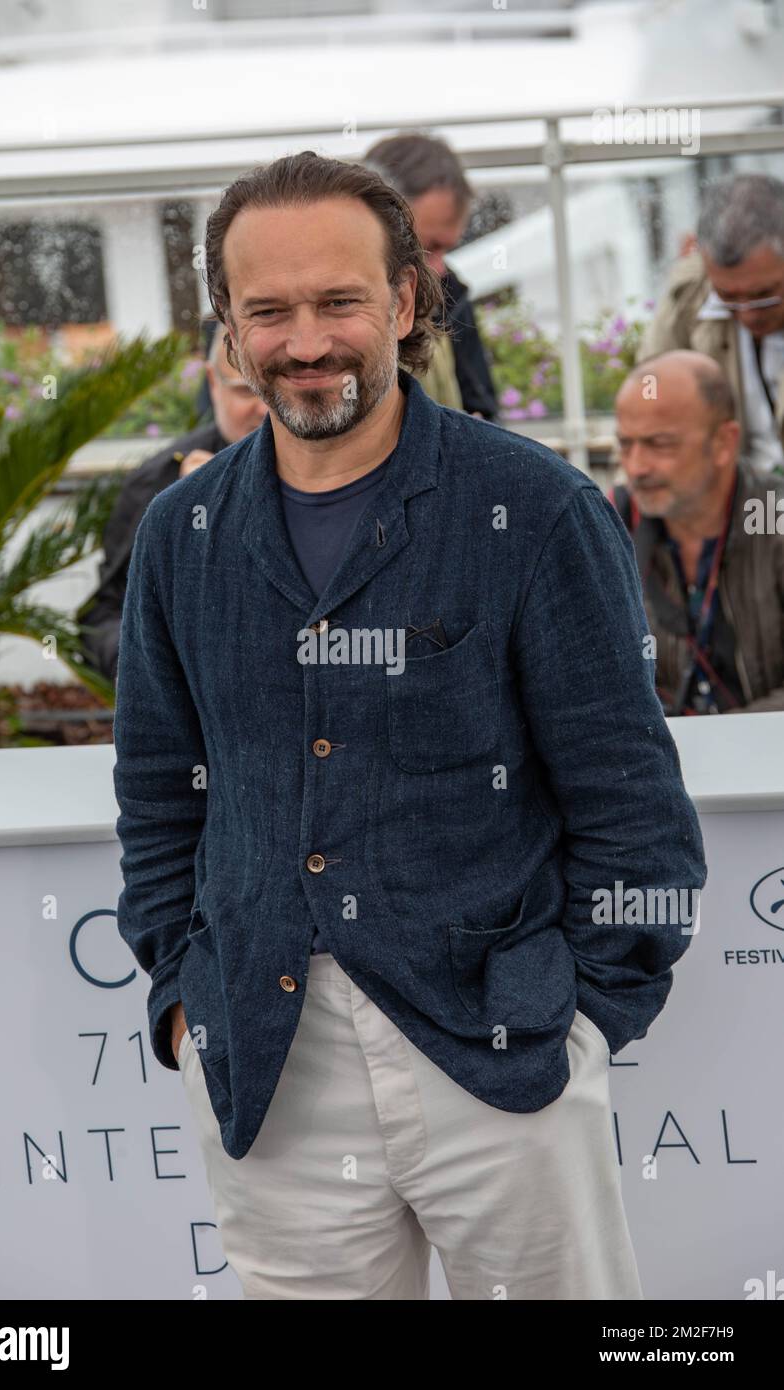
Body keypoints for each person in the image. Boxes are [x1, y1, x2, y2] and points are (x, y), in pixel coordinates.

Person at [112, 150, 706, 1301]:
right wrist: (185, 999)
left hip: (500, 1043)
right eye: (266, 310)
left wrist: (580, 1017)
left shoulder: (534, 511)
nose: (304, 340)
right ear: (228, 330)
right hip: (266, 1057)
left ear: (402, 302)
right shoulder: (181, 534)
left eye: (337, 301)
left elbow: (629, 801)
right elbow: (156, 788)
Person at [78, 328, 267, 680]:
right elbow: (104, 616)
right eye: (245, 390)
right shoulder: (157, 481)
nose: (266, 408)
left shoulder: (355, 470)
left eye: (275, 386)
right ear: (212, 383)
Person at [610, 349, 784, 715]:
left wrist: (721, 742)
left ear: (724, 443)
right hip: (658, 761)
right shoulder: (611, 524)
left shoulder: (776, 517)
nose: (636, 467)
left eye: (660, 444)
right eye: (626, 444)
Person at [640, 173, 784, 476]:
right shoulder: (688, 292)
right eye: (728, 297)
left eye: (764, 295)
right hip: (736, 499)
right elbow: (649, 392)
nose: (748, 315)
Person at [364, 131, 498, 420]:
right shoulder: (345, 310)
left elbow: (482, 405)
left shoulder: (452, 295)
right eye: (426, 248)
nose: (438, 269)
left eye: (446, 249)